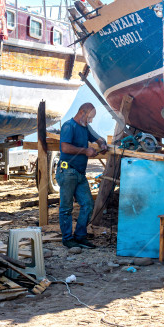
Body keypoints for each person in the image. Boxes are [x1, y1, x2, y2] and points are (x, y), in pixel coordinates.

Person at [58, 103, 107, 249]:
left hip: (79, 174)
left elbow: (99, 139)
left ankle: (80, 236)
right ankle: (67, 238)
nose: (90, 121)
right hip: (67, 172)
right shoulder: (69, 126)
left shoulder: (85, 127)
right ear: (82, 112)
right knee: (66, 208)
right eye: (90, 117)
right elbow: (65, 147)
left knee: (87, 204)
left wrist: (103, 144)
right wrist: (85, 151)